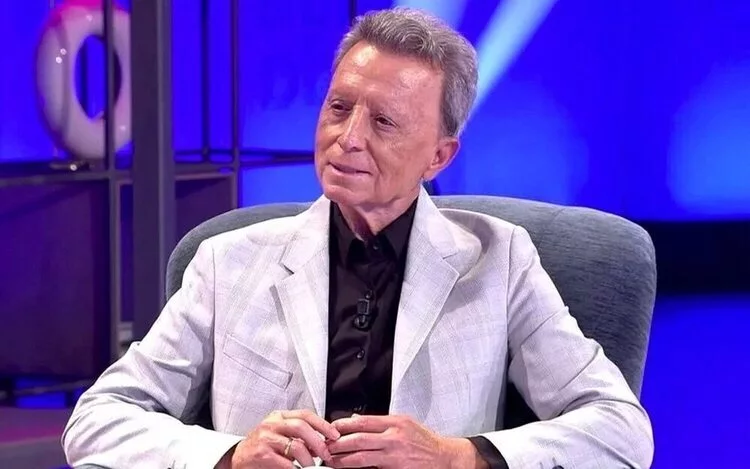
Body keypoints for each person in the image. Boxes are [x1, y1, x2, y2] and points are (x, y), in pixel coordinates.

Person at [63, 7, 654, 469]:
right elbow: (98, 418)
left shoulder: (500, 261)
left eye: (384, 122)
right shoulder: (228, 262)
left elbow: (620, 429)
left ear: (439, 155)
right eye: (339, 107)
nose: (347, 138)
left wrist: (456, 457)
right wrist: (231, 455)